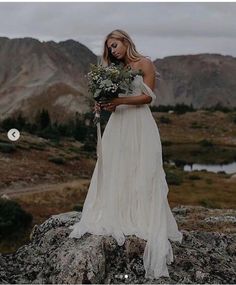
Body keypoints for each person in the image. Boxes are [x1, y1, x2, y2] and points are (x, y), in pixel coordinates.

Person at [68, 29, 183, 280]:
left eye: (115, 45)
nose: (112, 50)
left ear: (125, 41)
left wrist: (119, 101)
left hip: (139, 123)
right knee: (116, 165)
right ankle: (117, 210)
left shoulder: (145, 63)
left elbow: (147, 97)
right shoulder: (113, 70)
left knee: (142, 167)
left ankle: (140, 213)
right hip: (118, 124)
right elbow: (112, 96)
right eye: (109, 47)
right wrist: (104, 101)